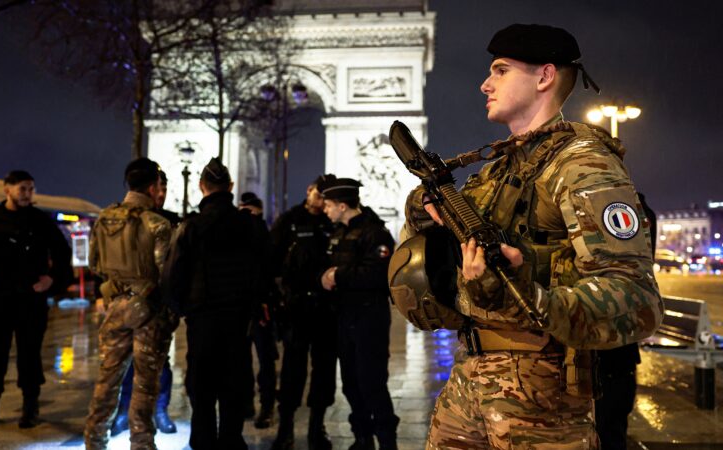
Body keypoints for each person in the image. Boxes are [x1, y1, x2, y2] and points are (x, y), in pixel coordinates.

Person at [397, 24, 663, 448]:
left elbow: (636, 301)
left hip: (543, 399)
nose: (485, 84)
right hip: (470, 379)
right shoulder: (496, 170)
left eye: (501, 70)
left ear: (544, 77)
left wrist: (531, 295)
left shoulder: (584, 166)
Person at [162, 157, 271, 450]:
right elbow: (265, 270)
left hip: (203, 319)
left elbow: (173, 277)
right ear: (231, 187)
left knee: (202, 384)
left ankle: (202, 440)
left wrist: (186, 310)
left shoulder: (190, 227)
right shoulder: (249, 226)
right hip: (238, 319)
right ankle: (232, 440)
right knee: (234, 382)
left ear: (201, 187)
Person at [0, 170, 72, 431]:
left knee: (30, 355)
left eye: (31, 188)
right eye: (22, 189)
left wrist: (52, 279)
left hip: (31, 300)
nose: (27, 194)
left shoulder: (41, 221)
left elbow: (63, 253)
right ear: (7, 190)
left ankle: (31, 407)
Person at [84, 158, 177, 449]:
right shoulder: (158, 224)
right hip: (148, 312)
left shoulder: (104, 218)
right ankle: (141, 443)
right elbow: (166, 273)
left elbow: (94, 264)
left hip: (115, 308)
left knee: (107, 379)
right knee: (145, 384)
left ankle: (95, 439)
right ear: (153, 187)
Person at [319, 177, 398, 450]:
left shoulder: (375, 234)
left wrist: (338, 275)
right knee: (351, 384)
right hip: (344, 318)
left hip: (369, 319)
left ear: (342, 205)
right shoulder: (338, 232)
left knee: (372, 384)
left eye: (329, 205)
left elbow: (378, 274)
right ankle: (362, 439)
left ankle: (388, 443)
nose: (325, 210)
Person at [270, 175, 339, 450]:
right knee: (291, 373)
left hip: (326, 310)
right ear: (309, 190)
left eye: (327, 197)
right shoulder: (288, 221)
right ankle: (285, 427)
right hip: (296, 309)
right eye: (319, 194)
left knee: (324, 373)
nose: (322, 201)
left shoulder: (332, 221)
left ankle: (316, 427)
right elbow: (271, 262)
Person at [110, 170, 179, 437]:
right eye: (158, 188)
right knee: (126, 363)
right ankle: (125, 413)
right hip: (127, 305)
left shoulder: (170, 221)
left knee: (161, 364)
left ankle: (160, 410)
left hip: (159, 306)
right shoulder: (124, 220)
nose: (160, 194)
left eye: (164, 188)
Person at [594, 192, 657, 450]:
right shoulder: (635, 205)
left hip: (606, 360)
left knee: (608, 434)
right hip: (616, 358)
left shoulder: (620, 205)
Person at [238, 192, 280, 428]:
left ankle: (266, 404)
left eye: (249, 211)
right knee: (242, 358)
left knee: (265, 359)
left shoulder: (265, 233)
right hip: (243, 306)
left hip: (262, 306)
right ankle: (246, 402)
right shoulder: (234, 232)